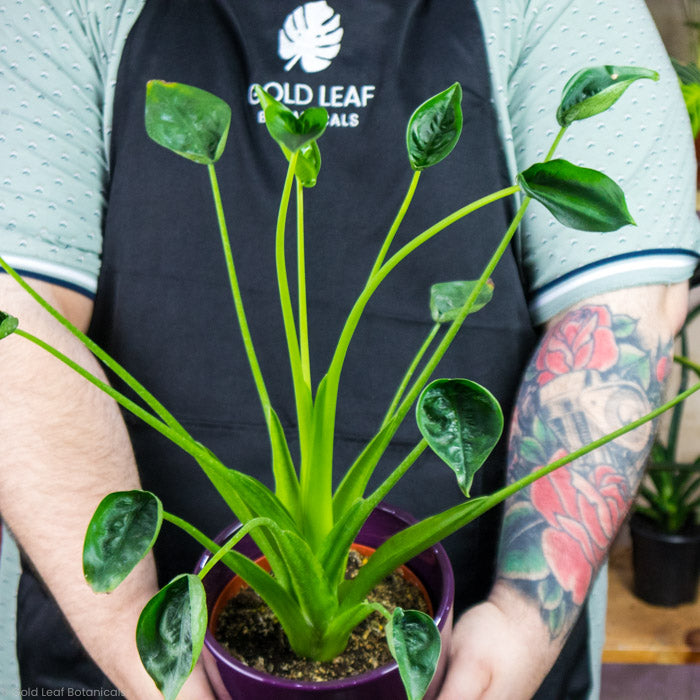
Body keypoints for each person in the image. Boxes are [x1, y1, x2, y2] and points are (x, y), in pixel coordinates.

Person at [0, 1, 698, 698]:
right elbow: (20, 324)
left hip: (472, 656)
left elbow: (619, 314)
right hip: (128, 648)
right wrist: (137, 638)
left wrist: (521, 617)